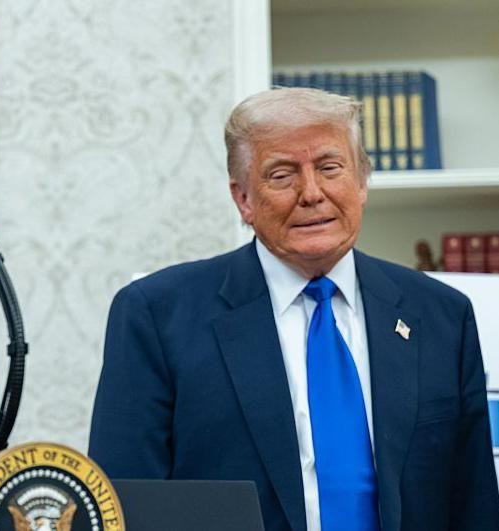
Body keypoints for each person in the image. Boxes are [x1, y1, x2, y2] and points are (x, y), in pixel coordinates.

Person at [89, 88, 499, 531]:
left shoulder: (442, 316)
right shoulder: (156, 317)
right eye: (282, 175)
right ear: (243, 198)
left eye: (330, 167)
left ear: (362, 182)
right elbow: (123, 508)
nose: (312, 193)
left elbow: (474, 506)